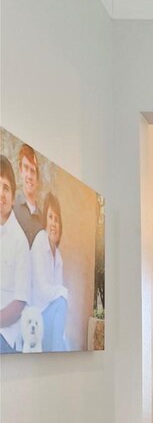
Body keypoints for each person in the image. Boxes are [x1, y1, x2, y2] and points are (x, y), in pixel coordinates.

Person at [0, 155, 31, 353]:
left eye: (6, 188)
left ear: (13, 197)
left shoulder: (20, 241)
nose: (1, 193)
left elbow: (20, 303)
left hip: (5, 336)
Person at [30, 192, 68, 351]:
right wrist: (63, 292)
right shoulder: (40, 241)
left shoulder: (58, 257)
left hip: (50, 315)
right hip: (36, 315)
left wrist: (61, 294)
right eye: (51, 217)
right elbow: (40, 291)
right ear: (45, 220)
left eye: (57, 219)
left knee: (67, 344)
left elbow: (58, 298)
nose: (53, 223)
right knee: (62, 302)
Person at [13, 143, 44, 247]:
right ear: (21, 170)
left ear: (37, 178)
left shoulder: (42, 220)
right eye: (26, 168)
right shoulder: (12, 206)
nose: (29, 176)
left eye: (33, 171)